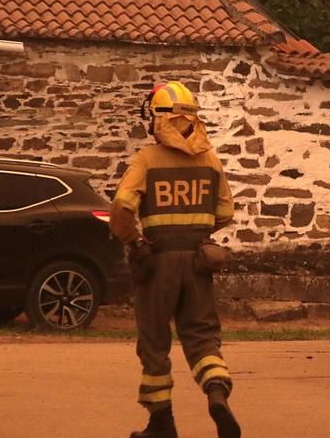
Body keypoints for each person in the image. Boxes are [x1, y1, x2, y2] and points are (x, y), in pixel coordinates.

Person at [109, 81, 241, 438]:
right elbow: (226, 211)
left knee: (154, 342)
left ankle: (162, 424)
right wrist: (195, 228)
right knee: (201, 337)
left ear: (156, 118)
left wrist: (134, 241)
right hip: (199, 261)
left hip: (157, 263)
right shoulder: (210, 160)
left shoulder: (147, 160)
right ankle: (216, 393)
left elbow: (121, 207)